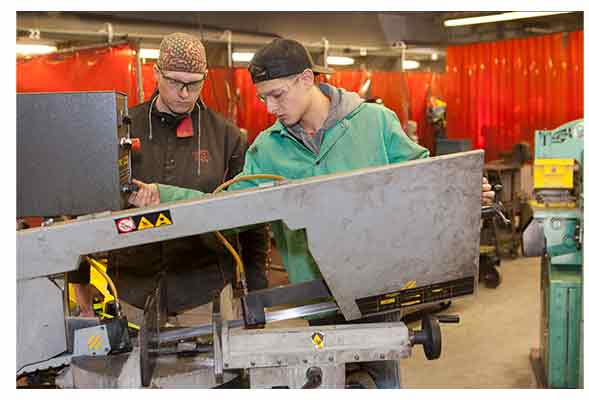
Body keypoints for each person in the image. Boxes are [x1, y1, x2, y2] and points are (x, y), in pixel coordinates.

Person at [128, 38, 494, 386]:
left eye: (277, 95)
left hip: (378, 290)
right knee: (325, 378)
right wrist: (164, 194)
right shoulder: (269, 149)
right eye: (263, 98)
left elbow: (423, 178)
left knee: (380, 377)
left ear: (306, 79)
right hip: (316, 298)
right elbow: (227, 205)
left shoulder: (374, 123)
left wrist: (465, 191)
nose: (270, 108)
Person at [69, 33, 270, 321]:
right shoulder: (120, 130)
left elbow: (252, 221)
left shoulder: (226, 137)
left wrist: (257, 294)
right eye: (175, 82)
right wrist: (83, 294)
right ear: (156, 73)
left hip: (204, 294)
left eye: (194, 84)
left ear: (204, 77)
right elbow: (82, 211)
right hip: (133, 292)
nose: (184, 93)